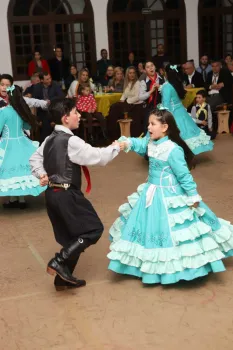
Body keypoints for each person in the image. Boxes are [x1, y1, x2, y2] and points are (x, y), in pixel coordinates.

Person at [107, 107, 233, 285]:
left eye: (153, 124)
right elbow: (138, 143)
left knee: (179, 230)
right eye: (148, 124)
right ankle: (147, 266)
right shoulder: (150, 142)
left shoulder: (173, 149)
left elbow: (184, 176)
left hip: (169, 195)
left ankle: (181, 268)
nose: (149, 127)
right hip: (151, 192)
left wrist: (193, 196)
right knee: (146, 227)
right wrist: (126, 143)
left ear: (165, 127)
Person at [29, 97, 120, 291]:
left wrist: (42, 174)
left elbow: (34, 158)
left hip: (52, 195)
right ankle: (58, 261)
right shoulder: (71, 141)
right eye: (75, 112)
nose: (79, 115)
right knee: (93, 229)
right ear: (65, 118)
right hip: (66, 194)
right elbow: (97, 156)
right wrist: (117, 147)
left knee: (73, 237)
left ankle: (63, 280)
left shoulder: (50, 138)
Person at [0, 84, 46, 209]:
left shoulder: (3, 112)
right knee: (22, 170)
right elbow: (27, 127)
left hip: (7, 143)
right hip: (22, 142)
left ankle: (14, 199)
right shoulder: (21, 111)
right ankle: (20, 200)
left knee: (9, 172)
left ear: (8, 97)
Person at [160, 64, 213, 155]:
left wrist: (162, 114)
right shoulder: (178, 84)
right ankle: (188, 155)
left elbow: (166, 104)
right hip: (181, 111)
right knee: (187, 133)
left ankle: (177, 156)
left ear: (166, 74)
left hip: (172, 113)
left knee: (175, 135)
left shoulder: (167, 86)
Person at [107, 66, 144, 141]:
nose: (132, 75)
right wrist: (121, 100)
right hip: (128, 104)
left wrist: (126, 101)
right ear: (127, 74)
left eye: (133, 73)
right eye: (130, 73)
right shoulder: (128, 83)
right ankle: (112, 133)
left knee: (115, 108)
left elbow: (137, 97)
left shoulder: (137, 83)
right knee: (113, 107)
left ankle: (112, 134)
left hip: (135, 105)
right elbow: (124, 94)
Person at [32, 72, 64, 143]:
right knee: (45, 126)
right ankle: (45, 144)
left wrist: (51, 100)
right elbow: (34, 101)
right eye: (47, 79)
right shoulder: (37, 87)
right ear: (41, 80)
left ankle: (54, 142)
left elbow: (61, 96)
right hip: (43, 112)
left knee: (52, 123)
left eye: (50, 78)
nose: (49, 80)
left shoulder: (55, 85)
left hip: (54, 110)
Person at [206, 59, 233, 132]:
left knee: (208, 106)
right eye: (213, 66)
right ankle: (204, 126)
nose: (215, 68)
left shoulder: (225, 72)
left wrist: (223, 84)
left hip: (220, 95)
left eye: (217, 66)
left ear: (220, 66)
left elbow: (230, 81)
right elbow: (205, 85)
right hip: (209, 95)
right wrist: (211, 86)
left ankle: (209, 127)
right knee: (201, 104)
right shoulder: (209, 74)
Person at [139, 61, 164, 134]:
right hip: (149, 108)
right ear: (145, 70)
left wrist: (160, 87)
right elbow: (140, 97)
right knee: (149, 128)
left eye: (152, 65)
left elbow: (168, 91)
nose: (150, 68)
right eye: (148, 67)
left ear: (155, 67)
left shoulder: (162, 78)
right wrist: (150, 91)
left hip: (162, 107)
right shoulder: (143, 82)